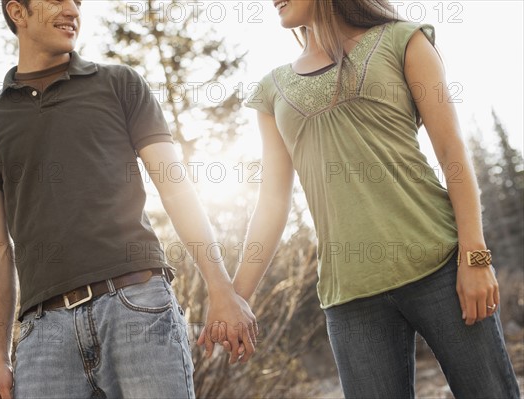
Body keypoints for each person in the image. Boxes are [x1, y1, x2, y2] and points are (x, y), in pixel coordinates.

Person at [201, 0, 521, 397]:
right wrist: (235, 298)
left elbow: (452, 153)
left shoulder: (404, 40)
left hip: (441, 268)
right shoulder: (272, 90)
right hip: (351, 296)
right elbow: (271, 203)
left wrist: (475, 257)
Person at [0, 1, 257, 398]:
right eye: (56, 0)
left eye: (77, 2)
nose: (71, 9)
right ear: (18, 12)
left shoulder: (120, 84)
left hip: (137, 307)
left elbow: (175, 186)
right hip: (43, 334)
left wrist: (220, 287)